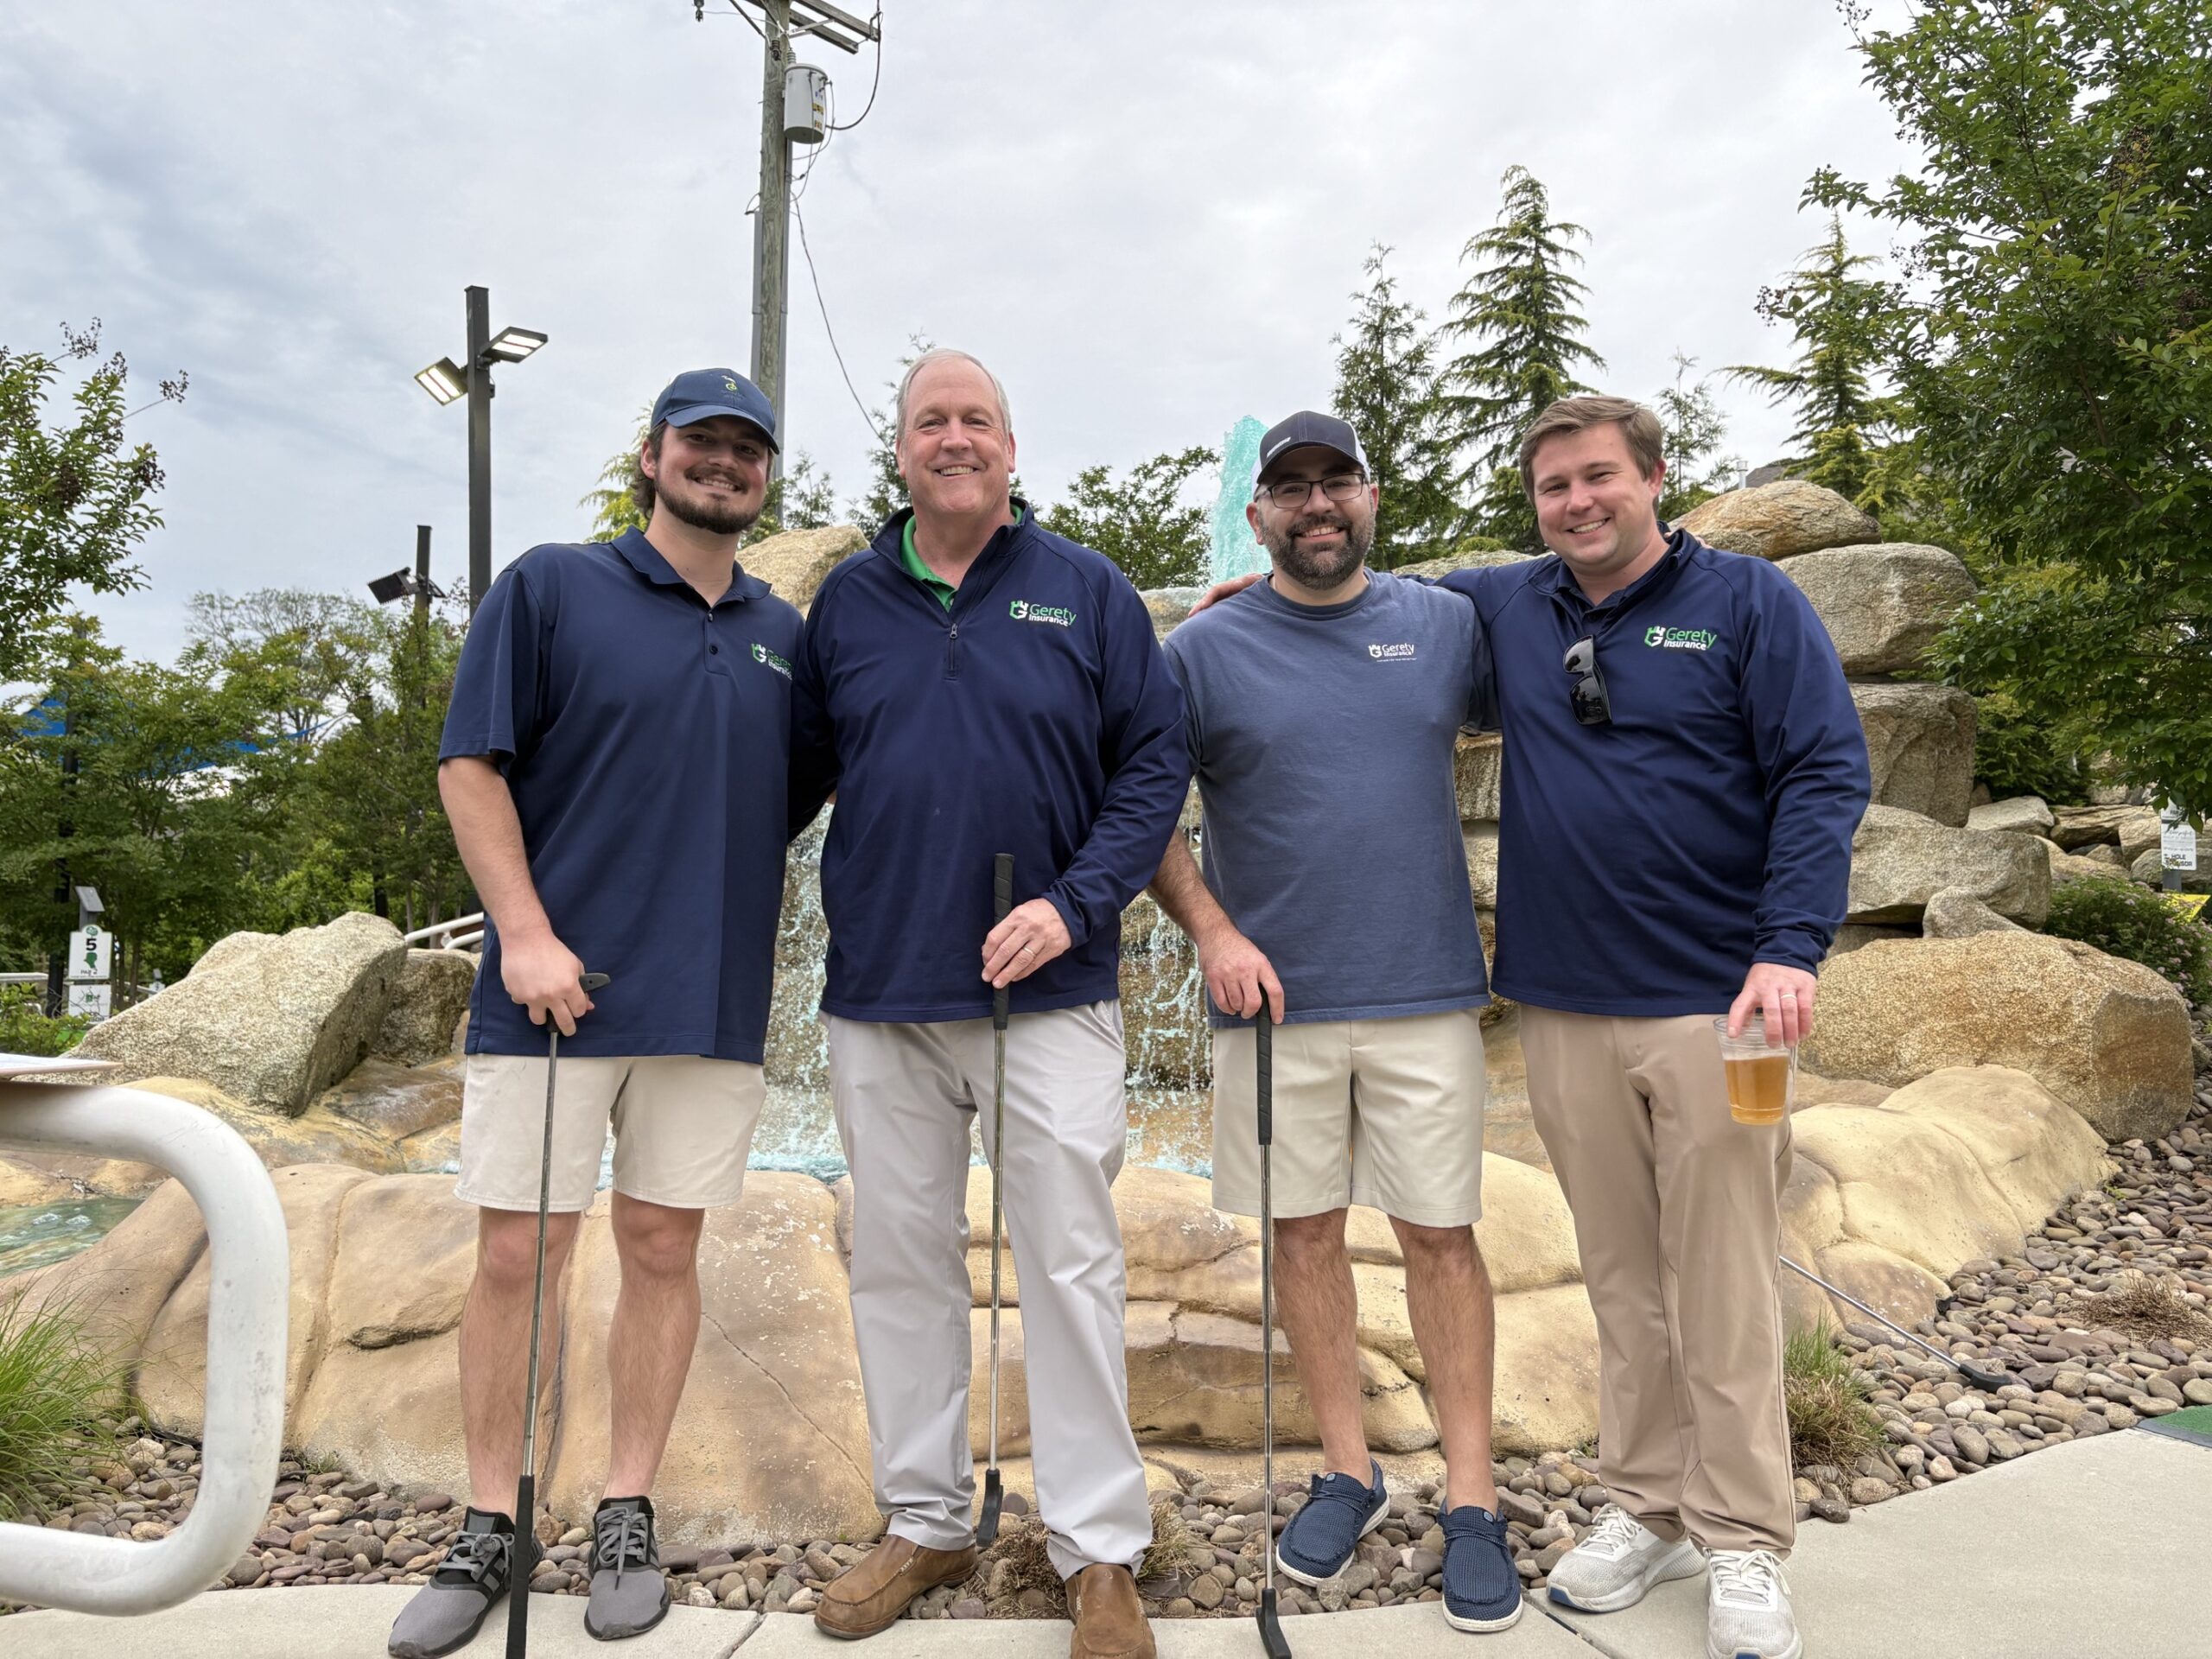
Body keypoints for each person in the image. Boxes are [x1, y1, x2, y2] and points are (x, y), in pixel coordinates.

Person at [1198, 393, 1868, 1659]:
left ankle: (1741, 1539)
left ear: (1656, 478)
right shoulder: (1512, 605)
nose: (1578, 502)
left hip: (1723, 1007)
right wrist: (1246, 595)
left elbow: (1825, 769)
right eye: (1555, 486)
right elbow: (1362, 581)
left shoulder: (1747, 606)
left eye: (1600, 478)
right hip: (1564, 1003)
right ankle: (1646, 1506)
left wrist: (1791, 945)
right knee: (1622, 1277)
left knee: (1721, 1278)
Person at [389, 369, 802, 1658]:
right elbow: (471, 766)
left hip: (709, 999)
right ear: (653, 455)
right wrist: (521, 931)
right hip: (551, 993)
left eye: (747, 450)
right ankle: (489, 1518)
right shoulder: (553, 588)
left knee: (665, 1252)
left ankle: (625, 1504)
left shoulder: (784, 632)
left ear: (767, 476)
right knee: (523, 1256)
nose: (722, 464)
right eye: (702, 444)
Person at [789, 349, 1190, 1659]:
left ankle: (1098, 1553)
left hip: (1051, 993)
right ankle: (924, 1520)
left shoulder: (1087, 592)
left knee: (1069, 1266)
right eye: (929, 422)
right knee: (902, 1264)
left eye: (976, 420)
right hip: (881, 999)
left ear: (1012, 450)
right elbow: (786, 786)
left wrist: (1074, 905)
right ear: (900, 452)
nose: (953, 438)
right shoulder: (845, 606)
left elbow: (1153, 769)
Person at [1147, 410, 1522, 1636]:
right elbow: (1138, 807)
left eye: (1337, 482)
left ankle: (1471, 1497)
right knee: (1301, 1239)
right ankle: (1350, 1471)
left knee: (1442, 1242)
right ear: (1257, 514)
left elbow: (1588, 584)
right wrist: (1211, 930)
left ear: (1370, 498)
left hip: (1423, 994)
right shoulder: (1199, 653)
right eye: (1291, 487)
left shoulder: (1449, 625)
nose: (1317, 503)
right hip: (1273, 1006)